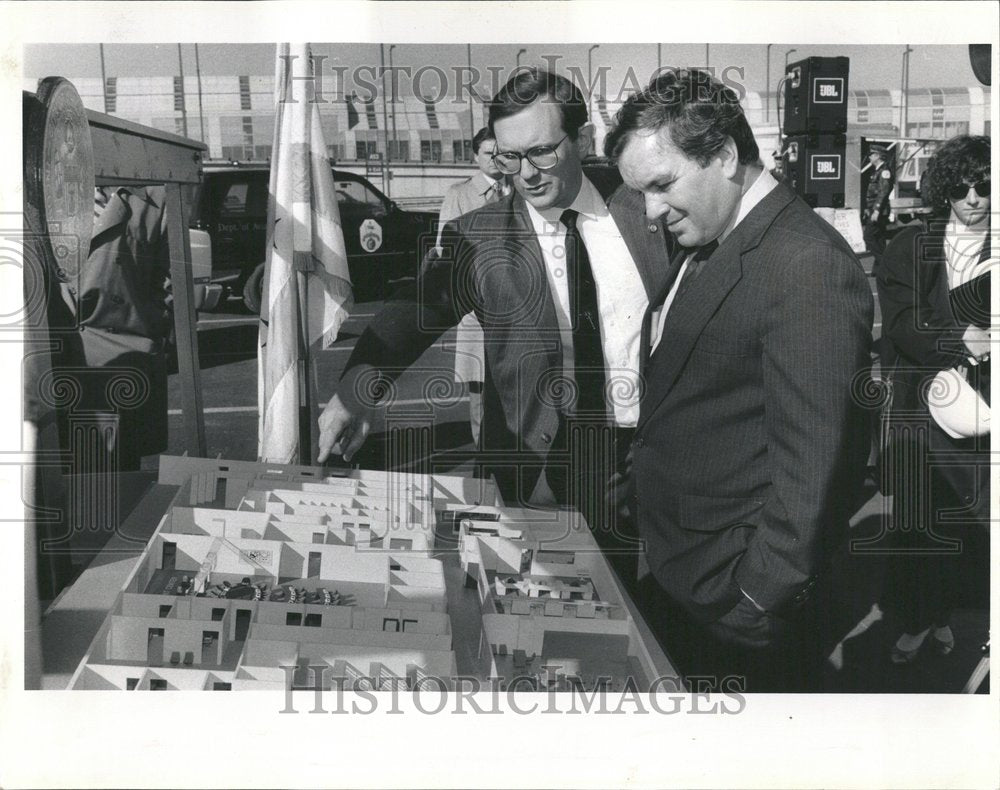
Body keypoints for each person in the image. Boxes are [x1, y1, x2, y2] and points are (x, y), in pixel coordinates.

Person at [318, 68, 674, 584]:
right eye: (509, 156)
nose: (525, 173)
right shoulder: (478, 237)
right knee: (562, 606)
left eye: (542, 152)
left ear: (582, 139)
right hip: (547, 459)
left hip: (650, 445)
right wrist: (356, 391)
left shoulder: (644, 203)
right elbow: (410, 314)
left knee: (652, 606)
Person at [604, 69, 873, 691]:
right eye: (639, 192)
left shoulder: (805, 265)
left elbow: (815, 464)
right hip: (684, 568)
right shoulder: (715, 239)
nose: (649, 212)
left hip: (734, 603)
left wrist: (758, 594)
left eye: (662, 185)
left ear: (724, 155)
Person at [875, 134, 991, 664]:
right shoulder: (909, 246)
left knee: (972, 522)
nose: (973, 197)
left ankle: (947, 615)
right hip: (926, 406)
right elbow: (899, 326)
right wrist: (957, 339)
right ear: (944, 190)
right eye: (962, 186)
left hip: (985, 408)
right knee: (923, 522)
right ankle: (921, 619)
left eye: (985, 185)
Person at [54, 185, 172, 473]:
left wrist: (145, 331)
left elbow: (171, 280)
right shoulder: (44, 184)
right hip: (53, 360)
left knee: (116, 487)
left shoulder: (155, 196)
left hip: (123, 361)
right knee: (52, 486)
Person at [437, 127, 509, 445]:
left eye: (501, 153)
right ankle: (484, 462)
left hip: (516, 308)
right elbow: (446, 252)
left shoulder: (519, 192)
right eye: (487, 153)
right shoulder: (459, 194)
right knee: (479, 394)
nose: (494, 159)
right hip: (477, 309)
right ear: (475, 156)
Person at [862, 144, 895, 259]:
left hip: (879, 210)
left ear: (878, 156)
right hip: (875, 208)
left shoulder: (884, 172)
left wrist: (876, 210)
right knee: (879, 238)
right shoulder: (877, 171)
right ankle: (880, 268)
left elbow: (883, 192)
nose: (869, 157)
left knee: (868, 237)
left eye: (871, 155)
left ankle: (883, 261)